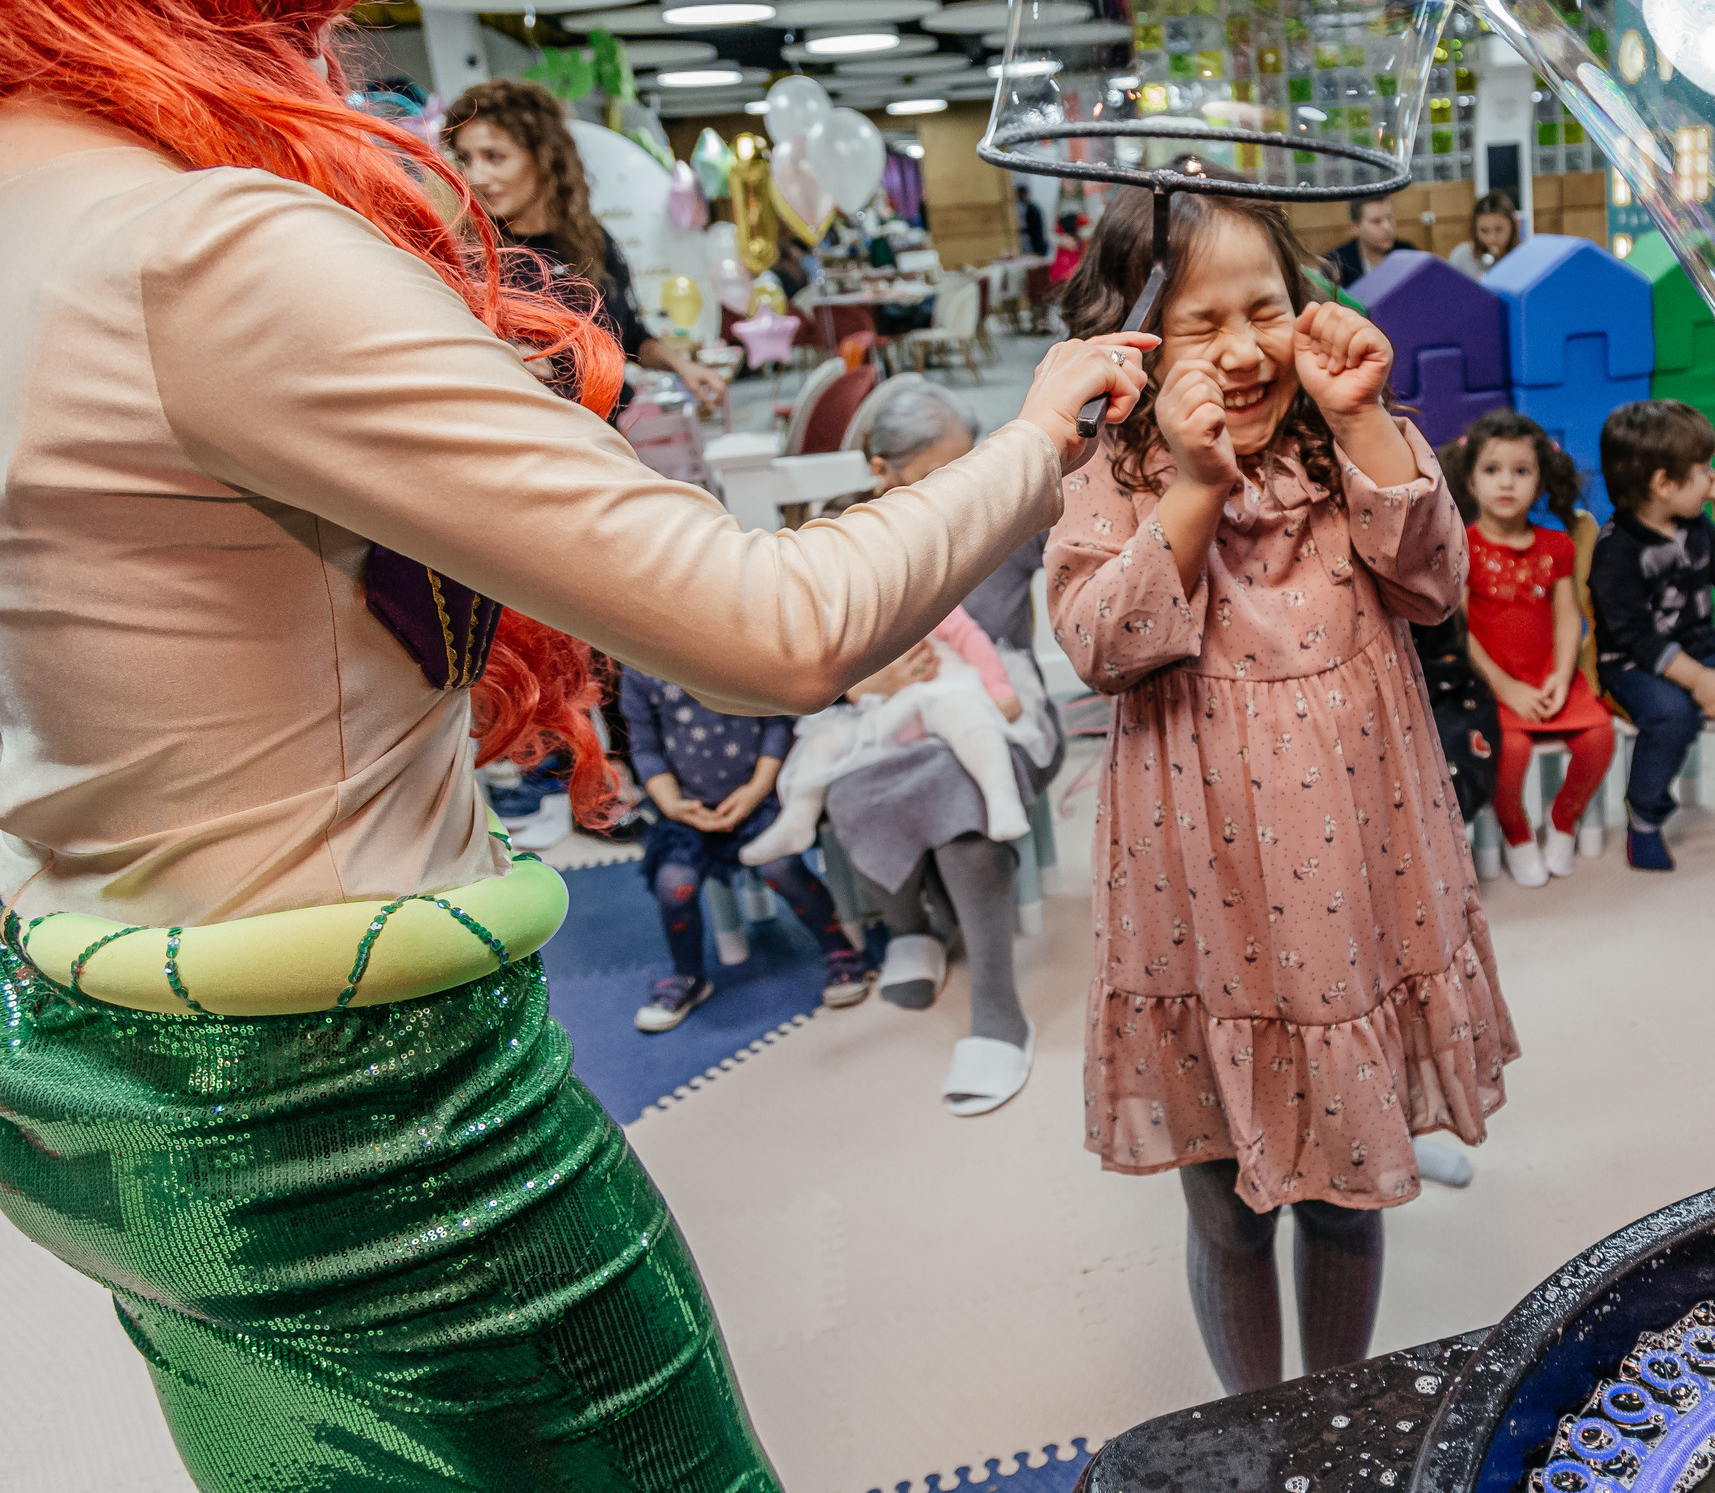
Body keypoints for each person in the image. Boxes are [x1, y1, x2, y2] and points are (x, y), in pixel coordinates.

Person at [0, 0, 1148, 1478]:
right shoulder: (196, 253)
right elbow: (772, 625)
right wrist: (1038, 437)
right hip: (361, 1113)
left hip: (109, 1074)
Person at [1047, 177, 1516, 1394]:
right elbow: (1100, 643)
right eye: (1203, 326)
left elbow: (1431, 588)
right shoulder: (1115, 475)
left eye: (1266, 310)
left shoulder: (1346, 438)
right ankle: (1259, 1422)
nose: (1244, 350)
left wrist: (1362, 422)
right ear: (1137, 335)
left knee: (1351, 1203)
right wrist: (1196, 490)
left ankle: (1337, 1407)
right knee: (1229, 1214)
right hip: (1202, 903)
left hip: (1359, 890)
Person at [816, 376, 1058, 1116]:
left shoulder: (1007, 519)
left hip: (997, 703)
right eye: (930, 477)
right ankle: (911, 929)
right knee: (850, 780)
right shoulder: (843, 537)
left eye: (964, 468)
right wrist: (863, 683)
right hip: (887, 711)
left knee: (962, 782)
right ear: (881, 471)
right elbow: (810, 653)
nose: (954, 491)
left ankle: (996, 1004)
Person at [1588, 399, 1715, 871]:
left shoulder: (1695, 525)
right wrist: (1698, 680)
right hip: (1633, 662)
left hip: (1702, 643)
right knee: (1671, 715)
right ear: (1663, 483)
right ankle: (1645, 818)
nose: (1712, 479)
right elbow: (1637, 637)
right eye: (1702, 469)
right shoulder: (1616, 550)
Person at [443, 78, 731, 408]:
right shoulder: (470, 258)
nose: (475, 176)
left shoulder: (590, 240)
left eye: (495, 157)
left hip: (603, 436)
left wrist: (683, 367)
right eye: (464, 159)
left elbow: (630, 335)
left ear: (544, 156)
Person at [623, 669, 870, 1031]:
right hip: (687, 812)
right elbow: (645, 747)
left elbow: (775, 723)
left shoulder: (730, 645)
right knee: (674, 885)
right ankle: (688, 975)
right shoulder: (638, 670)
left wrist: (756, 789)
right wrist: (672, 803)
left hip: (759, 800)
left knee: (781, 869)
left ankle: (838, 948)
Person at [1444, 411, 1615, 887]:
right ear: (1470, 478)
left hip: (1548, 673)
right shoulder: (1463, 546)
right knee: (1509, 751)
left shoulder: (1558, 545)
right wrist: (1506, 687)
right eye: (1492, 470)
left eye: (1521, 471)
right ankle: (1517, 832)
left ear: (1541, 481)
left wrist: (1562, 676)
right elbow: (1460, 630)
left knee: (1600, 737)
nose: (1507, 483)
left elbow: (1567, 616)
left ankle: (1564, 820)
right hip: (1491, 683)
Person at [1321, 193, 1414, 292]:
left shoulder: (1408, 253)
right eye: (1376, 221)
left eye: (1389, 218)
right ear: (1356, 226)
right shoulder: (1337, 262)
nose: (1387, 227)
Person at [1445, 191, 1523, 279]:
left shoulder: (1527, 256)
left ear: (1516, 224)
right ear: (1475, 229)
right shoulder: (1462, 258)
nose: (1492, 239)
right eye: (1484, 231)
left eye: (1499, 229)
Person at [1018, 181, 1051, 257]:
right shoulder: (1031, 208)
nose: (1019, 198)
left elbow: (1034, 228)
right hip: (1037, 245)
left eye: (1020, 195)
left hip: (1038, 245)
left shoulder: (1032, 209)